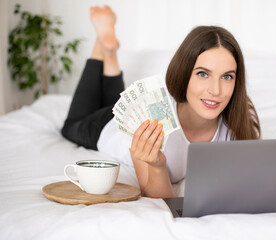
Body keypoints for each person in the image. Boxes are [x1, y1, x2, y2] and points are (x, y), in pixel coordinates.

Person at [61, 5, 261, 199]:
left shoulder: (238, 126)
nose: (216, 91)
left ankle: (109, 49)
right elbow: (155, 196)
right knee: (70, 126)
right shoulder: (151, 119)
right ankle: (101, 47)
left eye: (227, 77)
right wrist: (156, 165)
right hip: (104, 126)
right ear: (184, 74)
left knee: (113, 99)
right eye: (202, 74)